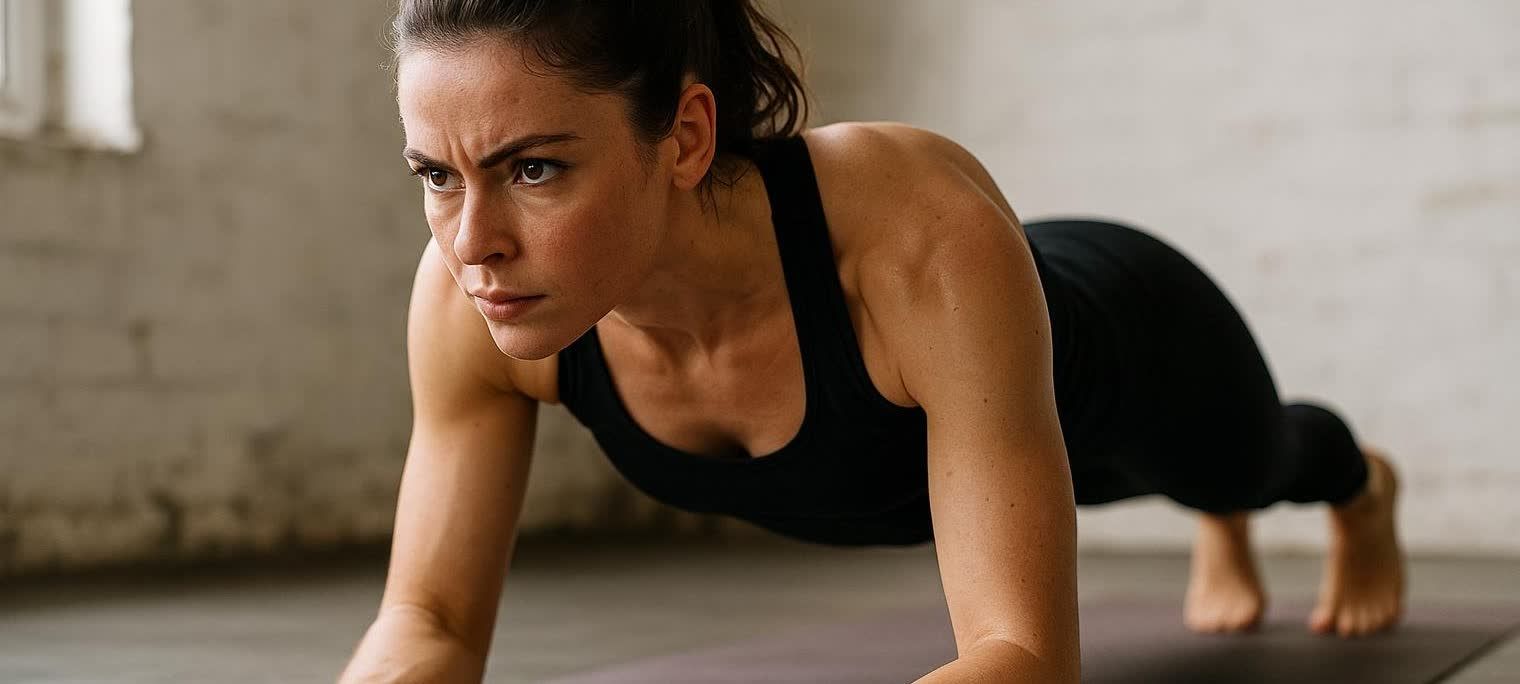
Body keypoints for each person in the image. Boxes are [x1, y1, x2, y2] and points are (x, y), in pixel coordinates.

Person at [340, 1, 1405, 681]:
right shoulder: (469, 305)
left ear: (687, 136)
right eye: (434, 175)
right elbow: (427, 620)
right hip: (976, 410)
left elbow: (1024, 655)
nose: (470, 241)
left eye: (533, 169)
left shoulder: (909, 233)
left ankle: (1351, 491)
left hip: (1129, 338)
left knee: (1251, 464)